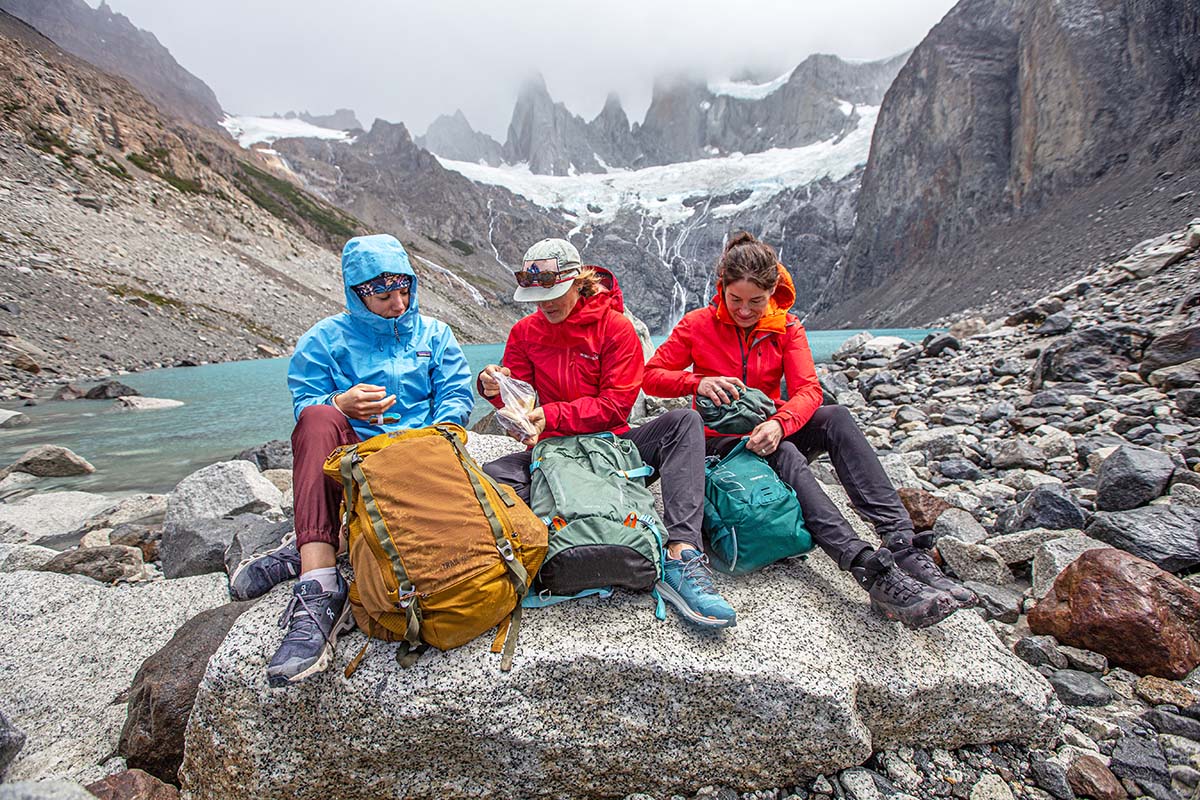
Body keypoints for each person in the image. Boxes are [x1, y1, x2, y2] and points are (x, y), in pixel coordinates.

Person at [642, 231, 975, 630]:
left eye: (755, 302)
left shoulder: (786, 327)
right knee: (785, 457)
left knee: (835, 417)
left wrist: (780, 424)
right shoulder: (698, 325)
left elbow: (808, 390)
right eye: (735, 300)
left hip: (768, 428)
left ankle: (901, 544)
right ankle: (865, 567)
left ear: (772, 292)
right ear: (721, 289)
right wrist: (696, 383)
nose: (744, 311)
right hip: (720, 443)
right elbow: (652, 377)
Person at [229, 233, 474, 686]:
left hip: (417, 463)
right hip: (351, 466)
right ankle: (321, 583)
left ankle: (313, 544)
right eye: (383, 295)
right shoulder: (324, 340)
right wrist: (341, 404)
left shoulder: (436, 335)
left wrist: (438, 435)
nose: (398, 303)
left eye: (405, 291)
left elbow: (457, 395)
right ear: (357, 292)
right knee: (320, 419)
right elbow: (306, 404)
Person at [478, 237, 736, 629]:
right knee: (489, 478)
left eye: (555, 292)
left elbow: (616, 405)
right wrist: (495, 390)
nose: (545, 303)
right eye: (537, 295)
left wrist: (551, 416)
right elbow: (521, 401)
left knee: (684, 423)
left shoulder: (616, 329)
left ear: (579, 282)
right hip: (555, 454)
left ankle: (681, 551)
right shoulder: (524, 333)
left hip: (613, 446)